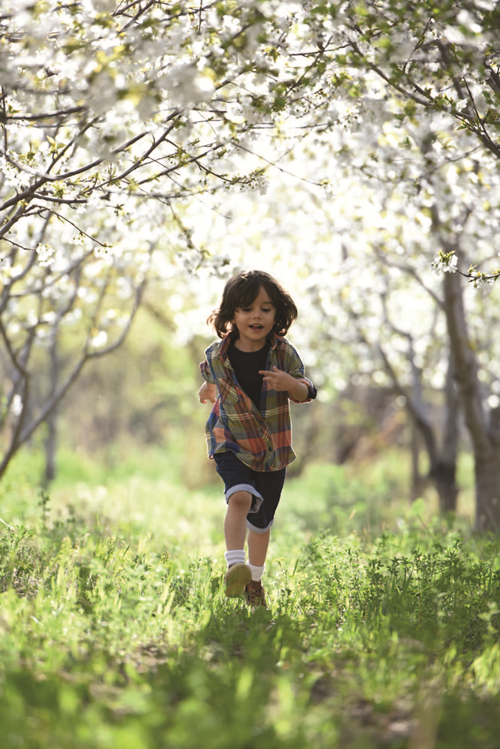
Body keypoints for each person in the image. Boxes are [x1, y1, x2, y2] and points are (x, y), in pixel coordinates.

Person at [198, 270, 317, 608]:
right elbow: (210, 375)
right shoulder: (217, 355)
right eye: (247, 308)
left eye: (266, 309)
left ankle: (254, 580)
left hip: (271, 450)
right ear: (231, 315)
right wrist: (207, 389)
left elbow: (307, 389)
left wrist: (291, 386)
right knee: (240, 498)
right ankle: (235, 565)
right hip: (229, 439)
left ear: (277, 314)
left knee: (261, 522)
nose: (256, 316)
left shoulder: (283, 354)